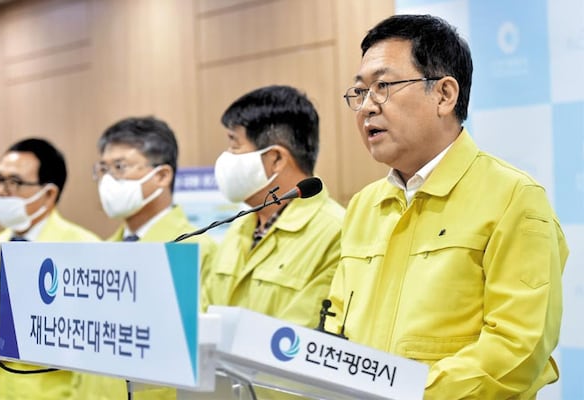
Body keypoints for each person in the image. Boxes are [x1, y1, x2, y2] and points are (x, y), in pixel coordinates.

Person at [326, 14, 569, 399]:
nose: (366, 107)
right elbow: (335, 324)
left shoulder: (514, 197)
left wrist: (409, 392)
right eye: (360, 92)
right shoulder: (362, 206)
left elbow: (517, 348)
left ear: (444, 95)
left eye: (383, 86)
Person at [81, 116, 218, 400]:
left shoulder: (199, 251)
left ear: (162, 176)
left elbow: (204, 357)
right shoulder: (99, 253)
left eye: (120, 167)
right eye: (103, 169)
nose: (107, 180)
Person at [0, 138, 101, 400]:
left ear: (48, 193)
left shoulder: (87, 250)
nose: (1, 191)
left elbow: (98, 341)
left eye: (14, 182)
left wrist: (14, 343)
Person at [203, 85, 345, 329]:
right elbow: (204, 315)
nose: (226, 157)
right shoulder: (239, 228)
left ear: (276, 159)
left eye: (235, 145)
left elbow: (302, 336)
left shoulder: (336, 232)